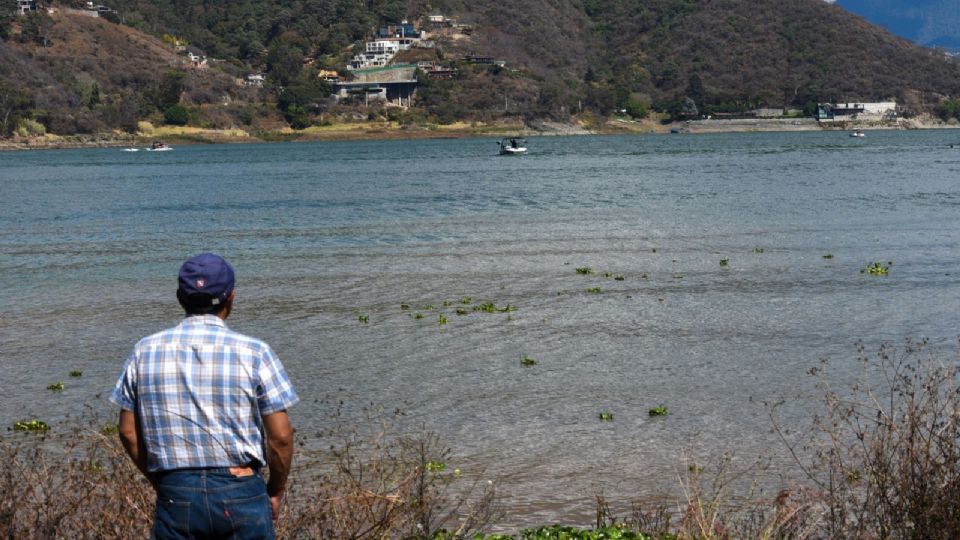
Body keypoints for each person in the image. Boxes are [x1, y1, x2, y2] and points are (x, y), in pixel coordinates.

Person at [110, 253, 299, 540]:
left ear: (179, 297)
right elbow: (281, 437)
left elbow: (127, 432)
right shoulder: (255, 352)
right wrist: (275, 490)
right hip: (242, 488)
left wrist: (162, 481)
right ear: (231, 298)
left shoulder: (144, 351)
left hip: (176, 491)